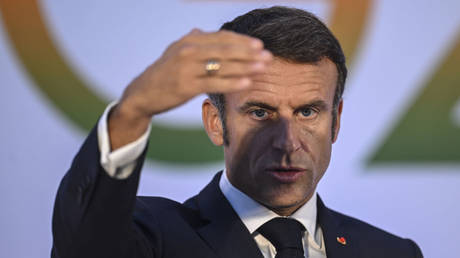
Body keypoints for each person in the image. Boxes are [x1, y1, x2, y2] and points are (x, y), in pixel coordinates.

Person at [51, 6, 423, 258]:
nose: (288, 142)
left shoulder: (392, 252)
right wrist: (132, 112)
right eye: (260, 112)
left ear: (336, 121)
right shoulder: (152, 237)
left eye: (308, 111)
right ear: (216, 122)